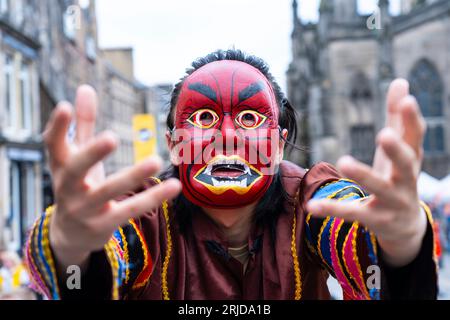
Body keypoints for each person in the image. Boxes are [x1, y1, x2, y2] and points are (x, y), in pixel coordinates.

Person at [24, 50, 437, 300]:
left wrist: (397, 246)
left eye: (249, 117)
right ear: (172, 143)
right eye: (203, 118)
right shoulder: (145, 215)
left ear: (278, 144)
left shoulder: (313, 201)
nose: (227, 137)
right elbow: (95, 266)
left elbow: (351, 232)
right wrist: (73, 253)